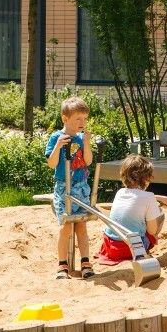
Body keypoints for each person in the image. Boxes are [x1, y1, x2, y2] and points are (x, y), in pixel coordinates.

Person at [45, 96, 95, 280]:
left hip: (81, 187)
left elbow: (88, 161)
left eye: (85, 119)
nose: (82, 122)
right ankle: (62, 264)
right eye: (78, 119)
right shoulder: (56, 137)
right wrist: (58, 146)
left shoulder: (82, 138)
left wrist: (87, 143)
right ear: (65, 119)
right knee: (66, 226)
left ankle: (85, 262)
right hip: (64, 187)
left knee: (81, 224)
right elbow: (51, 164)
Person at [97, 155, 167, 264]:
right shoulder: (149, 197)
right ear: (146, 178)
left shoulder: (120, 192)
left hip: (110, 247)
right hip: (131, 249)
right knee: (159, 214)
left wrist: (158, 197)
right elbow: (151, 231)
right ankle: (146, 248)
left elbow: (136, 197)